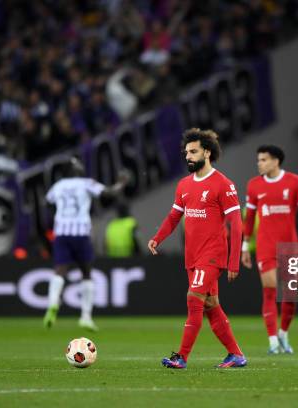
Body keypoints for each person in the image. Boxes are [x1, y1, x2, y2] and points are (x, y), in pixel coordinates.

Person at [148, 128, 246, 369]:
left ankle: (181, 357)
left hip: (213, 255)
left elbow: (236, 223)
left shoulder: (223, 185)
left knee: (194, 299)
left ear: (207, 152)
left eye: (193, 152)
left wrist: (233, 262)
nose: (188, 156)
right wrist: (157, 238)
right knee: (212, 306)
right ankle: (236, 354)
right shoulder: (183, 185)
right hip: (192, 256)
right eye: (186, 152)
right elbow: (173, 217)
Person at [242, 145, 298, 354]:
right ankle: (273, 341)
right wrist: (245, 246)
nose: (259, 163)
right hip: (265, 246)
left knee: (291, 294)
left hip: (289, 246)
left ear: (276, 161)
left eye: (263, 159)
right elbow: (249, 220)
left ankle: (283, 333)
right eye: (259, 159)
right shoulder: (254, 185)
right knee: (270, 290)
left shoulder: (294, 181)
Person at [43, 158, 129, 331]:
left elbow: (47, 202)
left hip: (61, 233)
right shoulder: (86, 183)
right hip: (80, 233)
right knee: (86, 272)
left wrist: (60, 215)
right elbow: (108, 193)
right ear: (74, 169)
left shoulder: (58, 186)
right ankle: (86, 316)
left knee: (60, 269)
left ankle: (53, 303)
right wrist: (121, 183)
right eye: (77, 164)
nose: (81, 165)